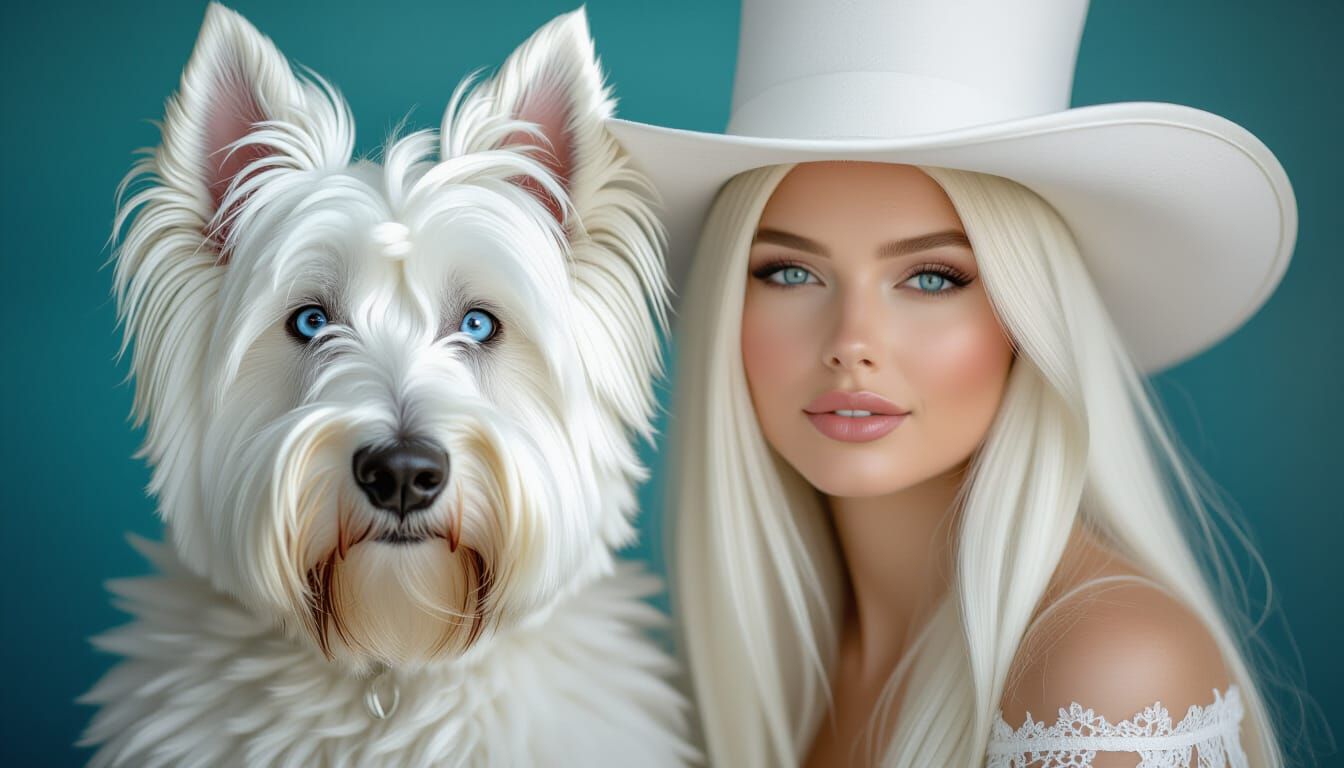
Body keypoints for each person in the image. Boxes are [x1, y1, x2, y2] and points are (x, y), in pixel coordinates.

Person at [607, 0, 1295, 765]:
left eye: (932, 277)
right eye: (790, 272)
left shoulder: (1108, 675)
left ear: (1026, 322)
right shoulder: (784, 664)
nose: (851, 343)